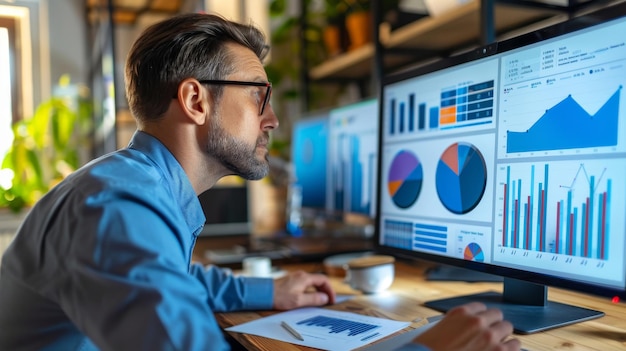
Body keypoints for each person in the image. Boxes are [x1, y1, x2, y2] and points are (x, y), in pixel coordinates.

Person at [0, 13, 520, 351]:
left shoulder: (133, 187)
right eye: (259, 97)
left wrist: (270, 289)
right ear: (196, 100)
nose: (271, 120)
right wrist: (427, 350)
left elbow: (172, 283)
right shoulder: (118, 205)